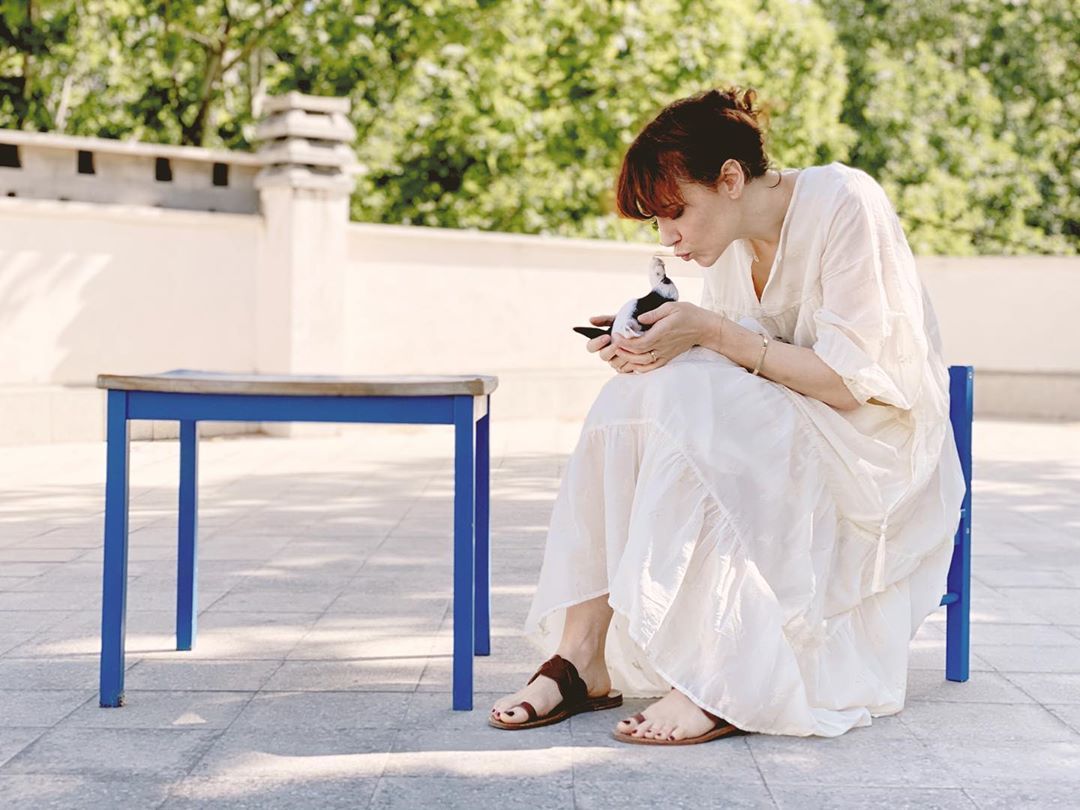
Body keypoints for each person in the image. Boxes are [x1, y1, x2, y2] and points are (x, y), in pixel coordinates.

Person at [489, 87, 965, 743]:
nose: (669, 238)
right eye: (657, 224)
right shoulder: (733, 247)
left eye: (676, 212)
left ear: (732, 179)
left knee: (693, 405)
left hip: (872, 445)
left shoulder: (845, 201)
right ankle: (581, 656)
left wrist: (707, 332)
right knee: (630, 396)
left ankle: (717, 672)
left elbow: (850, 386)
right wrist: (654, 344)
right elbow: (734, 372)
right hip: (786, 425)